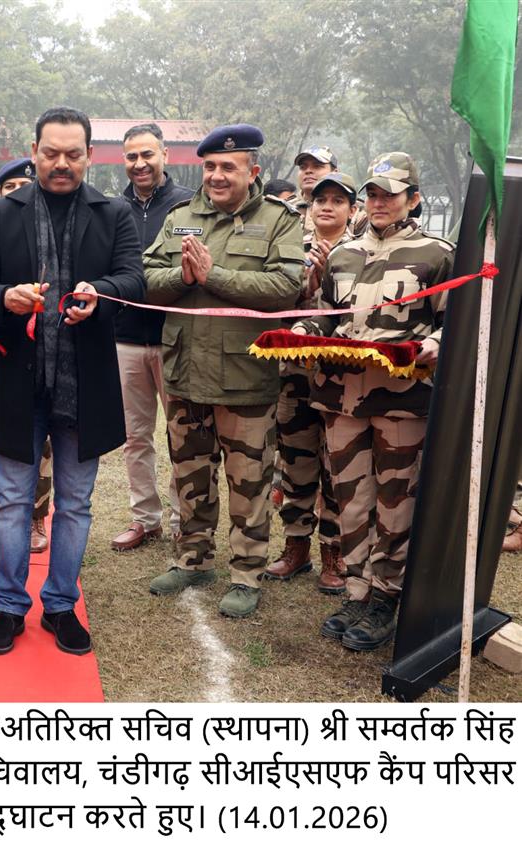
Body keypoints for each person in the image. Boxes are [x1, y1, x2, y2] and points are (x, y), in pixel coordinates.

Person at [0, 106, 144, 656]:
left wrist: (101, 292)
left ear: (90, 156)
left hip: (84, 382)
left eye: (72, 154)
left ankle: (61, 604)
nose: (61, 164)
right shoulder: (3, 212)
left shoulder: (113, 213)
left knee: (76, 503)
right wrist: (5, 297)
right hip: (20, 380)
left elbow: (133, 279)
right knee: (13, 502)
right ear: (34, 152)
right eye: (50, 153)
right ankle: (8, 606)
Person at [293, 152, 454, 651]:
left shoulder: (437, 254)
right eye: (373, 194)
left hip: (401, 401)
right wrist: (304, 330)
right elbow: (328, 315)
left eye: (390, 194)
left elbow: (456, 321)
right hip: (342, 398)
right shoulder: (344, 253)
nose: (379, 202)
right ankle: (358, 590)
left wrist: (437, 341)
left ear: (414, 199)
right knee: (351, 498)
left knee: (395, 500)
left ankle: (387, 594)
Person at [144, 123, 303, 619]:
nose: (216, 175)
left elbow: (286, 287)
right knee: (190, 474)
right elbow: (146, 277)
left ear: (252, 171)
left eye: (228, 167)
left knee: (248, 483)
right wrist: (182, 275)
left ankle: (246, 573)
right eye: (210, 166)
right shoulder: (181, 217)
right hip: (185, 371)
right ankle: (193, 560)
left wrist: (214, 275)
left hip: (245, 377)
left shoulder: (278, 219)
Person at [265, 172, 357, 594]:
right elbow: (273, 301)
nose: (327, 207)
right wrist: (310, 285)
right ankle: (296, 546)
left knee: (336, 465)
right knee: (296, 460)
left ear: (352, 210)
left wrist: (330, 280)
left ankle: (334, 551)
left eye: (338, 200)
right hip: (294, 376)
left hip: (341, 377)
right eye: (321, 200)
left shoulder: (362, 250)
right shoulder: (291, 246)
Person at [111, 123, 193, 552]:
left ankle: (185, 520)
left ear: (165, 155)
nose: (140, 164)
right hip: (125, 339)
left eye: (147, 154)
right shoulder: (111, 209)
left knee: (182, 435)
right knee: (135, 437)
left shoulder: (190, 206)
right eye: (132, 156)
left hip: (175, 339)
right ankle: (145, 519)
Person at [0, 157, 52, 554]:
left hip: (45, 354)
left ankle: (36, 516)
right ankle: (3, 510)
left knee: (44, 442)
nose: (19, 193)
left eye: (25, 185)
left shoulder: (51, 232)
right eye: (10, 188)